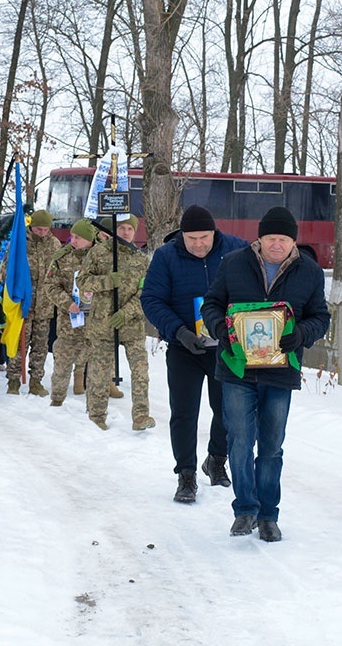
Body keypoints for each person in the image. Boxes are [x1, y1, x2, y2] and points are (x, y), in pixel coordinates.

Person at [202, 206, 330, 542]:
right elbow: (211, 304)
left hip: (280, 371)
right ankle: (245, 510)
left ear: (293, 241)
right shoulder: (233, 263)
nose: (277, 244)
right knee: (240, 441)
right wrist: (221, 328)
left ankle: (269, 516)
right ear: (260, 238)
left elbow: (321, 317)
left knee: (271, 447)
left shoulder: (310, 272)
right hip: (237, 367)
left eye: (284, 239)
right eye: (271, 237)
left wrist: (301, 334)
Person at [141, 204, 250, 504]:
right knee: (185, 412)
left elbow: (253, 291)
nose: (199, 244)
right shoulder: (166, 257)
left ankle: (216, 459)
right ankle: (186, 474)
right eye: (192, 239)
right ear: (182, 237)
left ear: (214, 232)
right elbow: (151, 299)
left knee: (228, 409)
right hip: (183, 347)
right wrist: (178, 332)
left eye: (205, 237)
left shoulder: (237, 250)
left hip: (225, 347)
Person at [77, 216, 154, 431]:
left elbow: (146, 292)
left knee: (140, 372)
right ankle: (97, 415)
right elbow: (82, 281)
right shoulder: (99, 253)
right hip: (103, 324)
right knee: (99, 373)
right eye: (122, 227)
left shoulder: (141, 259)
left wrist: (127, 312)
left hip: (132, 325)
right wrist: (108, 281)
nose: (126, 232)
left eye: (131, 228)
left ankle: (141, 416)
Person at [6, 209, 61, 396]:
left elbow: (60, 272)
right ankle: (13, 379)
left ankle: (36, 381)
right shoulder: (20, 243)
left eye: (45, 230)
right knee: (20, 345)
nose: (42, 233)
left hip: (45, 305)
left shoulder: (54, 244)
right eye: (38, 229)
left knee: (40, 346)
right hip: (23, 305)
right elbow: (8, 269)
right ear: (31, 226)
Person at [46, 219, 97, 407]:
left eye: (78, 238)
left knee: (96, 366)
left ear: (90, 239)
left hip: (95, 324)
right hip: (69, 323)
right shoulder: (62, 257)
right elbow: (50, 286)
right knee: (62, 364)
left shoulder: (102, 257)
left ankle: (95, 407)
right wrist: (67, 303)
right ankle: (57, 401)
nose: (73, 241)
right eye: (72, 237)